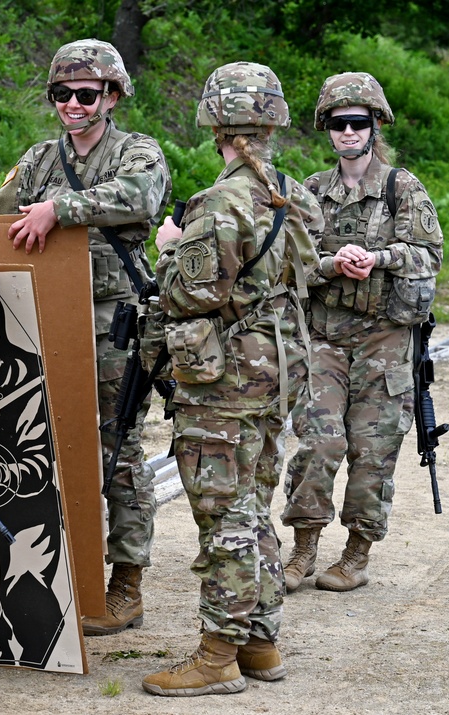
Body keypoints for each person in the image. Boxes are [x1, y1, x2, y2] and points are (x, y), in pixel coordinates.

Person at [0, 39, 172, 636]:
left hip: (114, 326)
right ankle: (59, 571)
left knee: (117, 453)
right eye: (61, 94)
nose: (72, 104)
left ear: (111, 96)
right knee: (43, 448)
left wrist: (58, 209)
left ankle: (127, 581)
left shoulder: (136, 152)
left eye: (85, 93)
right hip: (48, 322)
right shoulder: (39, 159)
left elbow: (142, 195)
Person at [141, 62, 321, 697]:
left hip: (226, 381)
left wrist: (167, 248)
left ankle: (218, 654)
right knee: (252, 502)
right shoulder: (290, 194)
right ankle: (260, 642)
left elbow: (190, 294)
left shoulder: (221, 202)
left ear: (216, 124)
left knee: (224, 514)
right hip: (276, 371)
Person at [280, 72, 444, 593]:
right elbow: (287, 262)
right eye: (337, 123)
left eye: (358, 123)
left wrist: (379, 257)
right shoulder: (310, 191)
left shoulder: (402, 188)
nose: (348, 132)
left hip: (385, 339)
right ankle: (304, 544)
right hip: (324, 335)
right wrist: (331, 265)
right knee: (319, 440)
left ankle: (356, 552)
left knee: (373, 449)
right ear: (326, 129)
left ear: (375, 125)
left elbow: (428, 255)